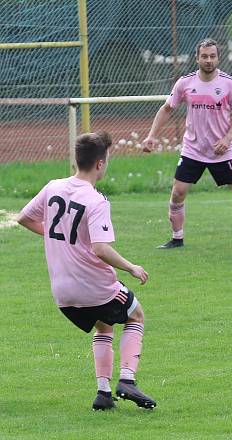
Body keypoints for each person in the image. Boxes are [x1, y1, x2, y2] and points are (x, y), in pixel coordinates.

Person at [16, 131, 157, 411]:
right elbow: (101, 249)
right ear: (100, 164)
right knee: (136, 315)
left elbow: (24, 217)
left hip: (63, 294)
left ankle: (103, 394)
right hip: (95, 288)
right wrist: (131, 267)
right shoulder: (96, 200)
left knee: (104, 325)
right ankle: (127, 380)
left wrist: (57, 237)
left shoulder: (53, 186)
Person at [142, 38, 232, 249]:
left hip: (222, 152)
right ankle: (176, 238)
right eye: (204, 56)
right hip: (193, 150)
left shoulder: (229, 83)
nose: (208, 60)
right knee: (178, 192)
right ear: (197, 58)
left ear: (218, 58)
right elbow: (167, 109)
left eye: (212, 56)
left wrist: (227, 139)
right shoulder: (185, 83)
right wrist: (151, 135)